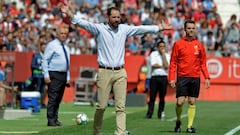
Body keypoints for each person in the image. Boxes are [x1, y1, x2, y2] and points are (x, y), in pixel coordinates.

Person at [60, 3, 172, 135]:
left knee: (121, 107)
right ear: (107, 17)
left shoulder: (124, 29)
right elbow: (82, 23)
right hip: (104, 71)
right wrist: (69, 14)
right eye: (114, 17)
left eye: (118, 17)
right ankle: (96, 132)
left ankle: (120, 132)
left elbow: (140, 29)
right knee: (101, 106)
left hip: (120, 72)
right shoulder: (99, 29)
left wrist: (158, 28)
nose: (117, 19)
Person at [168, 20, 210, 133]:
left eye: (193, 28)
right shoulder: (178, 44)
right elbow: (173, 62)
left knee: (192, 102)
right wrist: (172, 77)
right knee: (180, 102)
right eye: (189, 28)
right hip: (182, 77)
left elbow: (203, 63)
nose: (191, 30)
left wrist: (206, 77)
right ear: (185, 29)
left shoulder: (199, 45)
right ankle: (178, 120)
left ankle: (189, 127)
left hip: (195, 77)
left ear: (195, 29)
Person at [42, 23, 70, 126]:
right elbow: (45, 60)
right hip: (54, 73)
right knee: (53, 97)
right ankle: (50, 119)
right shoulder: (52, 45)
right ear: (57, 35)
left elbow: (67, 63)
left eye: (65, 34)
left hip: (63, 74)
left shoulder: (66, 47)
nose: (63, 35)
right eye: (61, 33)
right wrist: (46, 75)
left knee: (59, 98)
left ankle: (55, 118)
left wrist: (67, 77)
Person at [145, 40, 170, 119]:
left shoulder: (167, 55)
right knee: (152, 96)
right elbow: (153, 65)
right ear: (157, 47)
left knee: (162, 97)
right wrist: (162, 66)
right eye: (160, 46)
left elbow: (166, 65)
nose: (162, 48)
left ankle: (160, 113)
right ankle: (149, 113)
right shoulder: (153, 54)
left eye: (163, 46)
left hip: (163, 77)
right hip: (155, 77)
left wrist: (163, 56)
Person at [31, 42, 47, 108]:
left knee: (43, 89)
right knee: (37, 89)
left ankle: (41, 103)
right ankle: (35, 103)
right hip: (38, 76)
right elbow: (32, 65)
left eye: (45, 47)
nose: (44, 48)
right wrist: (39, 67)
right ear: (40, 48)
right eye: (43, 47)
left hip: (44, 75)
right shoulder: (36, 55)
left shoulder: (46, 56)